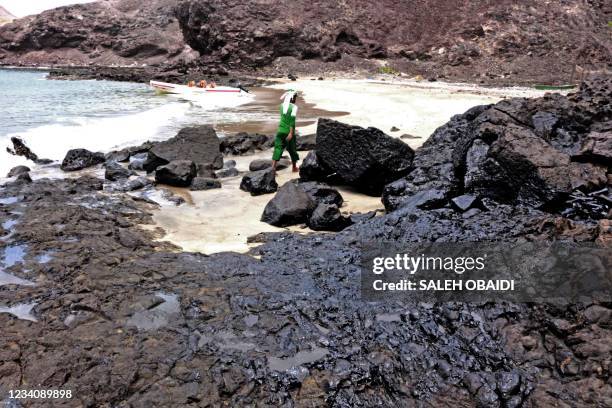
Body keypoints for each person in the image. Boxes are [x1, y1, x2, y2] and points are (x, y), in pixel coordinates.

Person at [272, 90, 300, 173]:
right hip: (288, 131)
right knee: (292, 150)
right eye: (294, 97)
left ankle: (273, 168)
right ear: (291, 98)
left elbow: (283, 118)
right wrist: (291, 133)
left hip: (280, 130)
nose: (295, 99)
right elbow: (292, 121)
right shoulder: (294, 107)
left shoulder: (281, 106)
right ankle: (294, 168)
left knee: (278, 148)